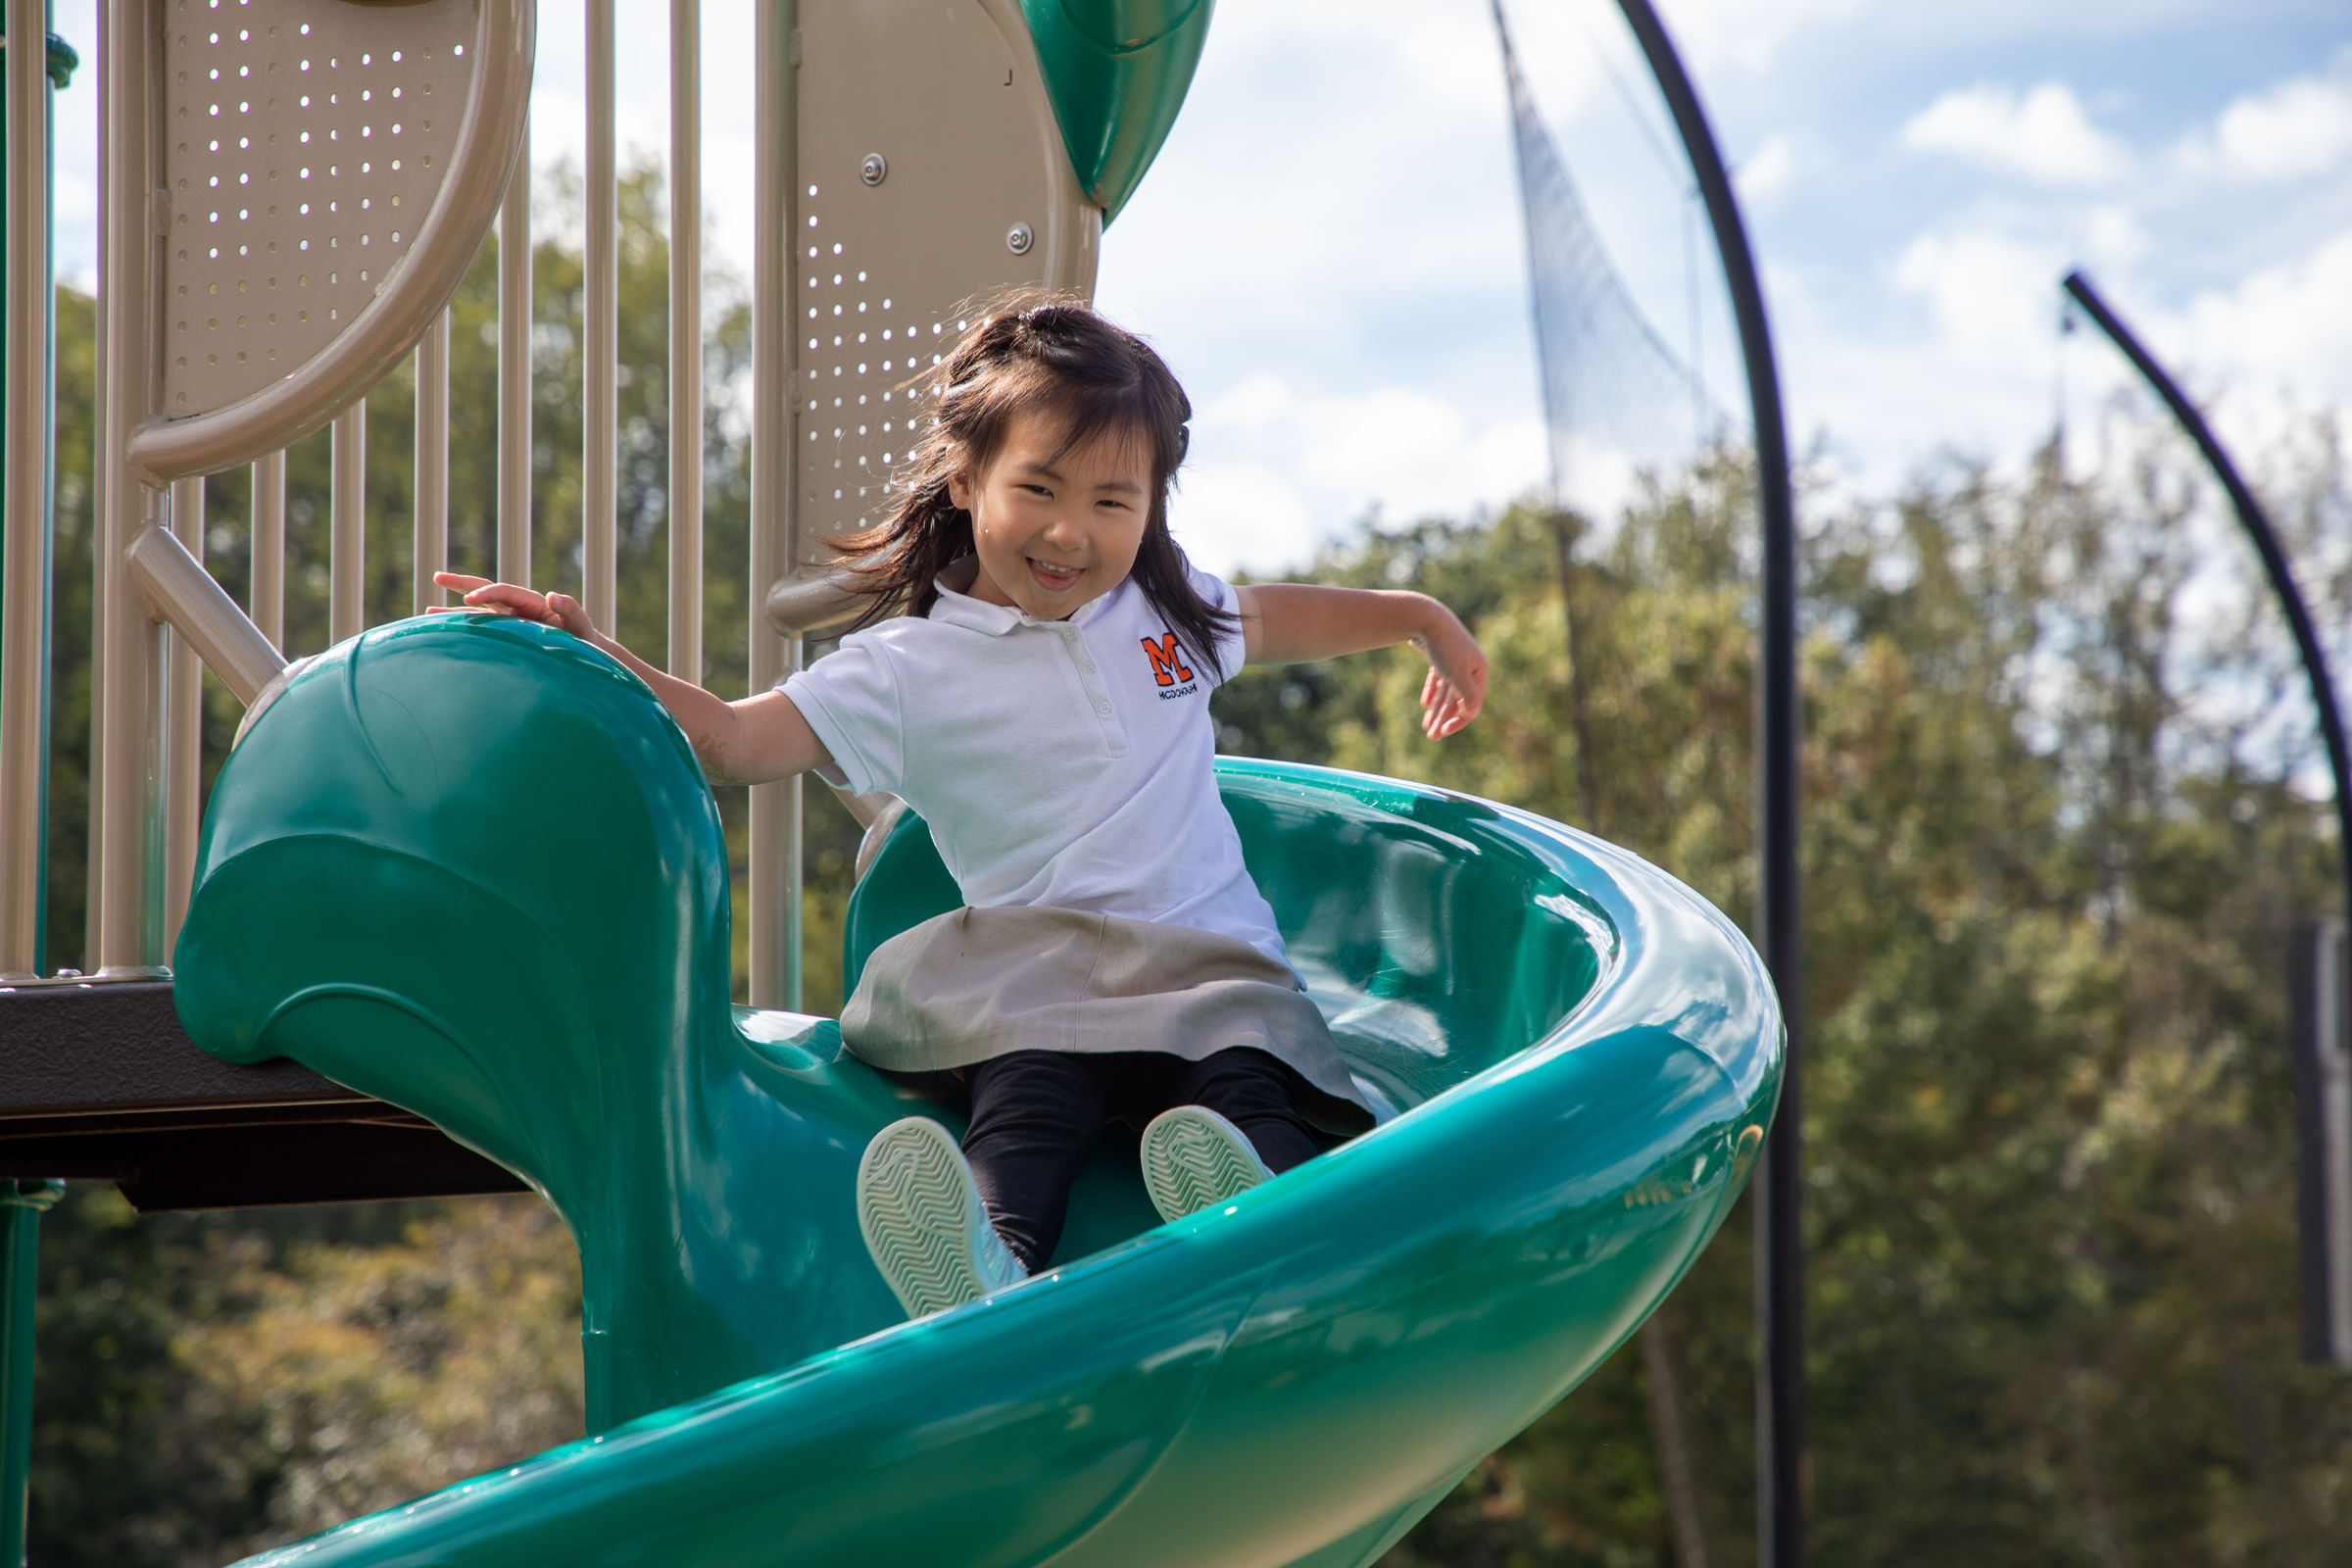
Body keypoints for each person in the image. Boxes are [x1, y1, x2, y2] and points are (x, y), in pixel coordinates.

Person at [438, 294, 1488, 1320]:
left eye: (1113, 502)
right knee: (1029, 1109)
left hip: (1211, 967)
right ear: (967, 475)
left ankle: (1256, 1204)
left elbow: (1282, 616)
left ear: (1151, 508)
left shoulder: (1166, 613)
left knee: (1248, 1080)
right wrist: (595, 652)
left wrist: (1419, 616)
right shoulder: (907, 669)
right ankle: (989, 1265)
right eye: (1039, 487)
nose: (1070, 531)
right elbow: (732, 739)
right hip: (1041, 980)